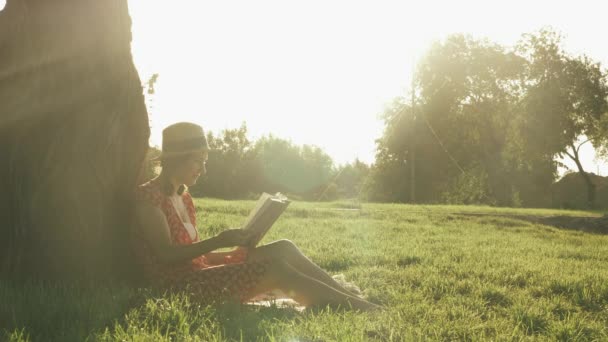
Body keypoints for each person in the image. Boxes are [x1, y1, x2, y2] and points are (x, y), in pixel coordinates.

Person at [133, 122, 380, 311]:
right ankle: (361, 309)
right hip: (179, 286)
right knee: (275, 268)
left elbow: (192, 252)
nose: (203, 169)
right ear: (177, 159)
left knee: (283, 248)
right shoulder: (149, 197)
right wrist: (219, 241)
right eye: (198, 160)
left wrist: (231, 252)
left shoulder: (183, 196)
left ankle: (348, 297)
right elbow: (166, 255)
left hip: (200, 271)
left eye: (205, 161)